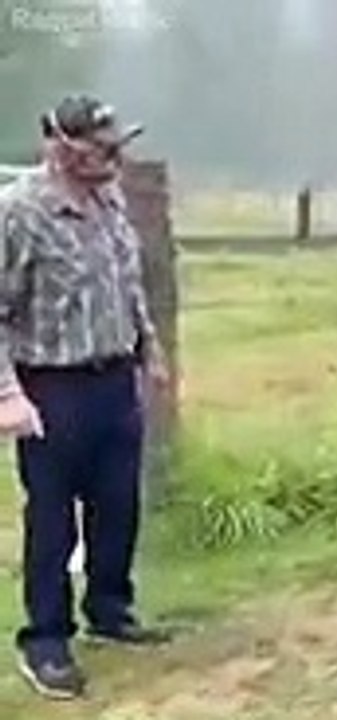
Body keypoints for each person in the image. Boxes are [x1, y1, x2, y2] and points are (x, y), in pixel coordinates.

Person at [0, 95, 172, 700]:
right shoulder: (20, 213)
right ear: (62, 148)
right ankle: (46, 640)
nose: (114, 158)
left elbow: (127, 282)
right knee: (52, 518)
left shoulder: (109, 201)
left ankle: (110, 608)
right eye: (102, 148)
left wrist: (148, 349)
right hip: (53, 385)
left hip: (112, 378)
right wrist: (8, 396)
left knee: (117, 503)